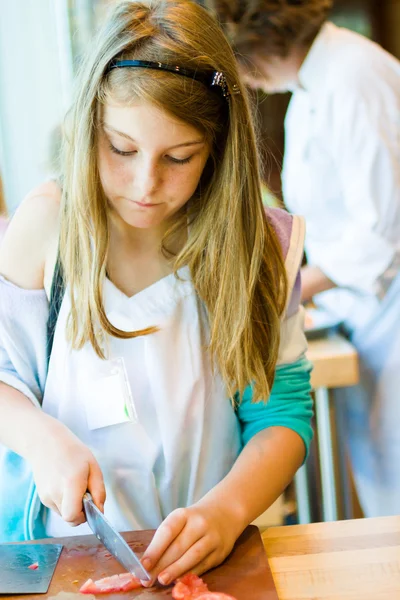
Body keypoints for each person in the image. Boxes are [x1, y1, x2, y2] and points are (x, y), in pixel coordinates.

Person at [0, 0, 313, 586]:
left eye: (179, 158)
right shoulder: (46, 228)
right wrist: (41, 439)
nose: (145, 184)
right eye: (121, 149)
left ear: (218, 150)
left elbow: (283, 414)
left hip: (211, 555)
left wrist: (227, 511)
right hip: (65, 556)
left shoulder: (256, 246)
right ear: (89, 124)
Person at [207, 0, 400, 517]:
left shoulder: (354, 75)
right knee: (383, 478)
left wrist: (285, 287)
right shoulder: (311, 89)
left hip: (390, 307)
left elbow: (381, 229)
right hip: (366, 313)